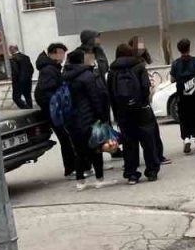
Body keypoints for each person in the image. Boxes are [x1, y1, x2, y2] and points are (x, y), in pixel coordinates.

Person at [108, 43, 162, 184]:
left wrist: (117, 112)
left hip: (123, 112)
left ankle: (132, 174)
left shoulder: (112, 71)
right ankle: (152, 171)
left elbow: (111, 94)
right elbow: (145, 87)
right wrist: (143, 103)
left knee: (129, 143)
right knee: (148, 141)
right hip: (142, 110)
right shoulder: (139, 66)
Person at [63, 48, 113, 190]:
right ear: (81, 60)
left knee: (79, 151)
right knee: (95, 149)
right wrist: (102, 117)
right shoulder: (87, 75)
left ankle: (80, 181)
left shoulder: (64, 76)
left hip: (71, 120)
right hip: (88, 117)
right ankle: (99, 179)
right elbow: (95, 98)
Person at [34, 42, 78, 177]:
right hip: (55, 112)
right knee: (66, 138)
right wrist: (56, 105)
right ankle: (71, 169)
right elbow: (42, 93)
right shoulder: (48, 70)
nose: (63, 56)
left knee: (67, 138)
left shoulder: (52, 68)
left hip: (56, 110)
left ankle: (72, 168)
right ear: (53, 54)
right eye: (61, 53)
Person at [128, 35, 170, 164]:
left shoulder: (139, 62)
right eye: (140, 45)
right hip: (141, 102)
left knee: (146, 132)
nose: (142, 47)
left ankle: (154, 156)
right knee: (149, 131)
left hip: (141, 101)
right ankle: (156, 157)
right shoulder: (134, 64)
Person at [8, 45, 34, 109]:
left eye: (10, 49)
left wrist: (13, 80)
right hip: (28, 80)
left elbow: (15, 71)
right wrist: (29, 77)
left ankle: (26, 108)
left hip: (18, 82)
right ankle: (31, 110)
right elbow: (31, 69)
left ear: (12, 50)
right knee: (28, 96)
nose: (9, 51)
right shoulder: (26, 57)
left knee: (16, 97)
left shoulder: (13, 59)